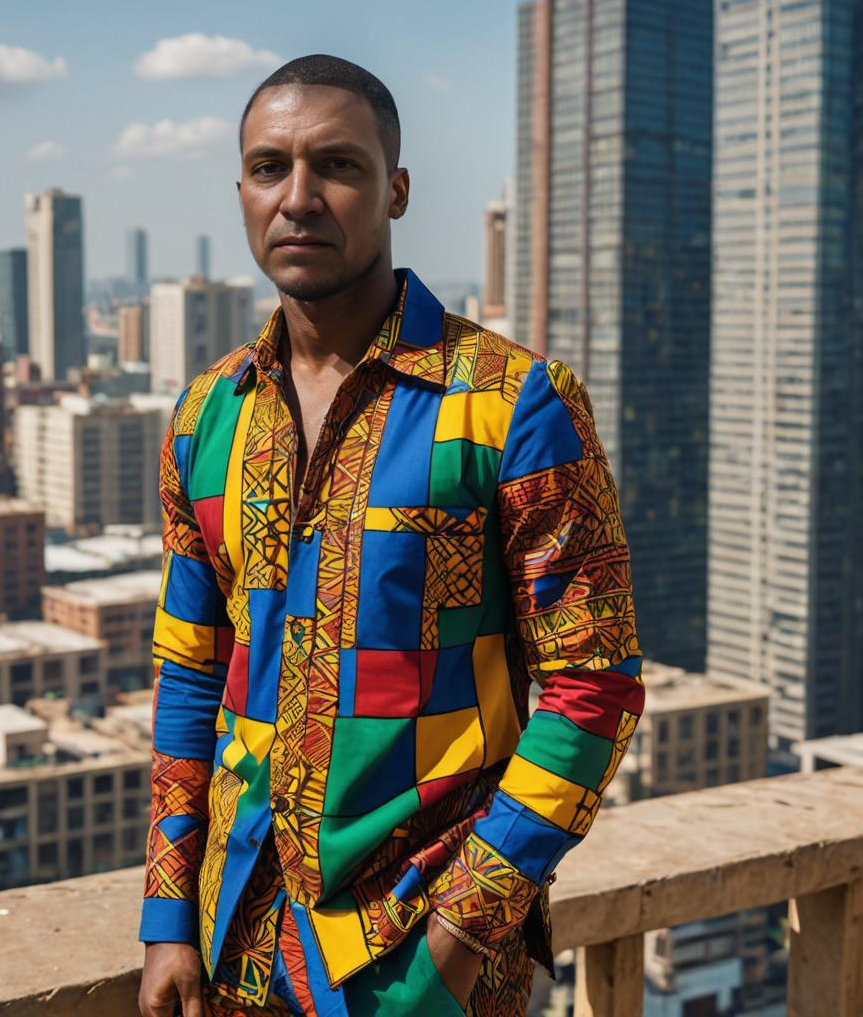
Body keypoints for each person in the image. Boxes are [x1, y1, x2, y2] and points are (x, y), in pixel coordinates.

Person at [137, 54, 644, 1017]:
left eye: (337, 165)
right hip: (234, 939)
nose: (298, 198)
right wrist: (166, 915)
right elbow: (191, 672)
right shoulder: (208, 416)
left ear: (395, 188)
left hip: (420, 949)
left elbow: (594, 686)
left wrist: (449, 952)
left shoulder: (510, 404)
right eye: (267, 168)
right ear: (241, 192)